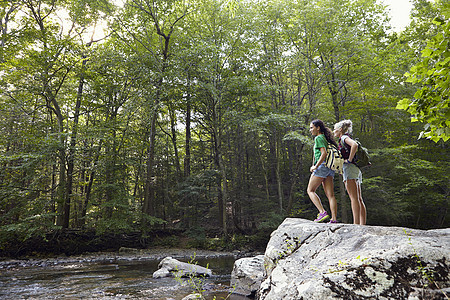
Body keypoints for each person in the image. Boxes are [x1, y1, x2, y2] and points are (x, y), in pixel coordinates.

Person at [333, 120, 366, 225]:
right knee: (359, 199)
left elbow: (354, 145)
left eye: (335, 129)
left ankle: (356, 225)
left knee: (354, 198)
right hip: (355, 169)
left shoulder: (343, 138)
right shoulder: (345, 138)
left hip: (350, 168)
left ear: (340, 130)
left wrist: (349, 159)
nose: (334, 131)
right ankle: (362, 224)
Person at [307, 119, 338, 223]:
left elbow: (323, 153)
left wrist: (315, 166)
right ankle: (333, 219)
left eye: (312, 127)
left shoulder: (319, 138)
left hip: (322, 167)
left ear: (318, 127)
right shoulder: (325, 137)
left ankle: (322, 212)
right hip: (330, 168)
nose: (310, 130)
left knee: (310, 190)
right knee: (330, 195)